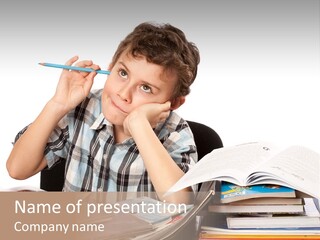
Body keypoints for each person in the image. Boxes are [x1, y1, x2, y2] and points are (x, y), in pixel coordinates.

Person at [6, 22, 200, 203]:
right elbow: (17, 169)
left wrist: (140, 125)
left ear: (173, 103)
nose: (124, 94)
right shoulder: (85, 107)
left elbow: (181, 204)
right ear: (111, 67)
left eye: (146, 88)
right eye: (123, 73)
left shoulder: (176, 134)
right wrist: (57, 105)